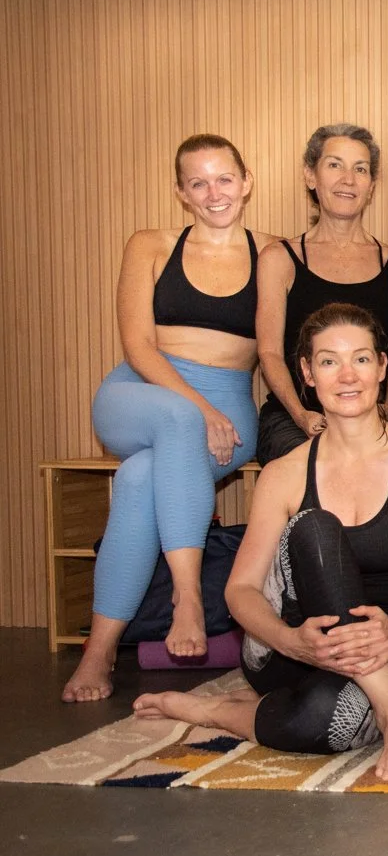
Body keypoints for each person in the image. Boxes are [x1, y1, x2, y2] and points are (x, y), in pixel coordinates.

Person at [133, 303, 388, 784]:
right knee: (315, 527)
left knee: (330, 719)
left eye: (362, 359)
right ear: (307, 373)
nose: (347, 375)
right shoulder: (283, 473)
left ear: (384, 366)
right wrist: (290, 641)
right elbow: (241, 590)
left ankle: (219, 711)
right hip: (290, 645)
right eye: (329, 361)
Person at [63, 134, 276, 702]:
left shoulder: (274, 252)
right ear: (181, 192)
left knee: (137, 480)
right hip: (140, 390)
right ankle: (188, 598)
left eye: (225, 178)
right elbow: (138, 345)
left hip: (229, 399)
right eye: (198, 182)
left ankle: (99, 652)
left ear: (247, 181)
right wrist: (198, 407)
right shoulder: (151, 244)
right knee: (180, 421)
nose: (214, 192)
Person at [255, 124, 388, 463]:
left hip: (373, 415)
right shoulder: (278, 259)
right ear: (310, 176)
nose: (348, 179)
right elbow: (269, 352)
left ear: (371, 186)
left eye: (360, 169)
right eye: (334, 165)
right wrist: (302, 415)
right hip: (297, 419)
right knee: (322, 463)